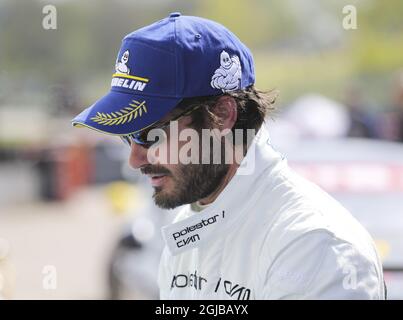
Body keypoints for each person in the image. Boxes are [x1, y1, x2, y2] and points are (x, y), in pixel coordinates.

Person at [72, 13, 385, 299]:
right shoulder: (188, 229)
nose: (135, 159)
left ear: (222, 115)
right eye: (128, 137)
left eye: (149, 134)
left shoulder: (314, 246)